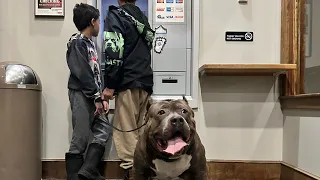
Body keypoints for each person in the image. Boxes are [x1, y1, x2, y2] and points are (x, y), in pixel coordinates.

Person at [102, 0, 155, 179]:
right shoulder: (143, 19)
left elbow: (113, 52)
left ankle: (133, 173)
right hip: (146, 82)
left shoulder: (116, 16)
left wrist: (110, 84)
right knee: (142, 133)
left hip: (128, 83)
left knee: (126, 133)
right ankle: (145, 172)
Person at [65, 3, 111, 180]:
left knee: (104, 129)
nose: (100, 25)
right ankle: (74, 177)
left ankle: (88, 170)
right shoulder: (77, 43)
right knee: (80, 139)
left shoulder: (90, 44)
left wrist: (101, 96)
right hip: (81, 95)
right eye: (99, 21)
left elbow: (96, 73)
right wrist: (96, 96)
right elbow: (82, 72)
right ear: (92, 22)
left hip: (94, 96)